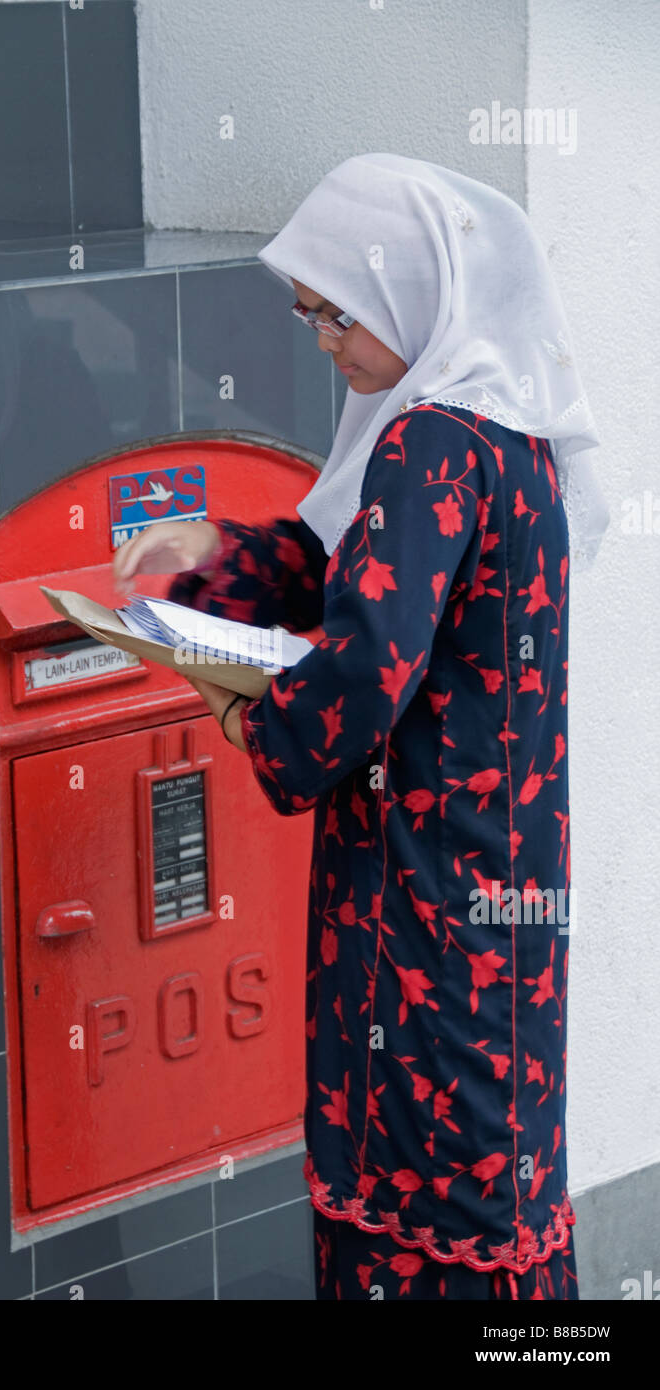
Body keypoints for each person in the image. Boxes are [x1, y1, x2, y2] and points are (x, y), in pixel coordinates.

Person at [112, 154, 609, 1301]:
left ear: (408, 291)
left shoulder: (427, 440)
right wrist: (207, 558)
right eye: (309, 317)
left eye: (336, 314)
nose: (325, 341)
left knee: (413, 1185)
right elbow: (348, 565)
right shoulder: (504, 428)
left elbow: (362, 664)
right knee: (500, 1174)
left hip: (418, 894)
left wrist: (247, 712)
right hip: (504, 884)